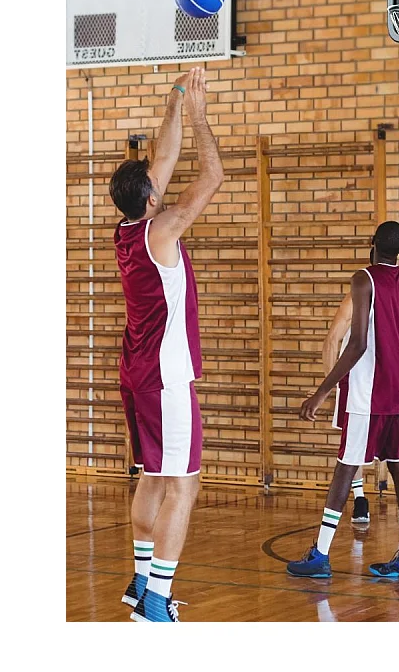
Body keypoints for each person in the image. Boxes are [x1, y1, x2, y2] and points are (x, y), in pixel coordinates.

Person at [108, 66, 224, 622]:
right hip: (165, 378)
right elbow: (213, 175)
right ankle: (157, 600)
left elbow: (164, 159)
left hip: (136, 373)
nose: (163, 178)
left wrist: (176, 97)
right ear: (151, 196)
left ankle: (138, 579)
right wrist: (199, 120)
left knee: (152, 475)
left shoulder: (129, 228)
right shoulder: (165, 227)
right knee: (185, 483)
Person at [286, 222, 399, 581]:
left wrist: (322, 391)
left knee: (346, 468)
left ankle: (319, 554)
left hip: (368, 393)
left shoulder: (364, 279)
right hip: (398, 393)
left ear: (372, 244)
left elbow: (358, 343)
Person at [321, 255, 399, 526]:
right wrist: (329, 387)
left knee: (392, 454)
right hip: (356, 382)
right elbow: (333, 340)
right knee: (353, 453)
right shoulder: (356, 297)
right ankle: (360, 499)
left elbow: (398, 338)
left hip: (386, 385)